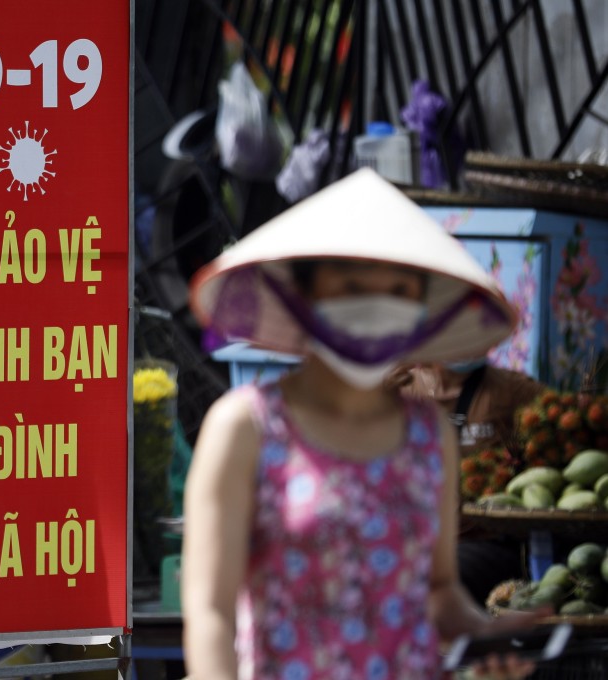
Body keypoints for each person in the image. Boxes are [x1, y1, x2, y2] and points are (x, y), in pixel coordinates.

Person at [182, 169, 543, 679]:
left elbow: (439, 590)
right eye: (352, 285)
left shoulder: (429, 436)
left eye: (399, 290)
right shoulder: (245, 428)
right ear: (306, 295)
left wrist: (487, 636)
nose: (377, 305)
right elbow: (210, 612)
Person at [391, 360, 545, 606]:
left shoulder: (510, 390)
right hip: (411, 541)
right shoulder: (397, 388)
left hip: (484, 542)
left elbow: (569, 417)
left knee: (423, 583)